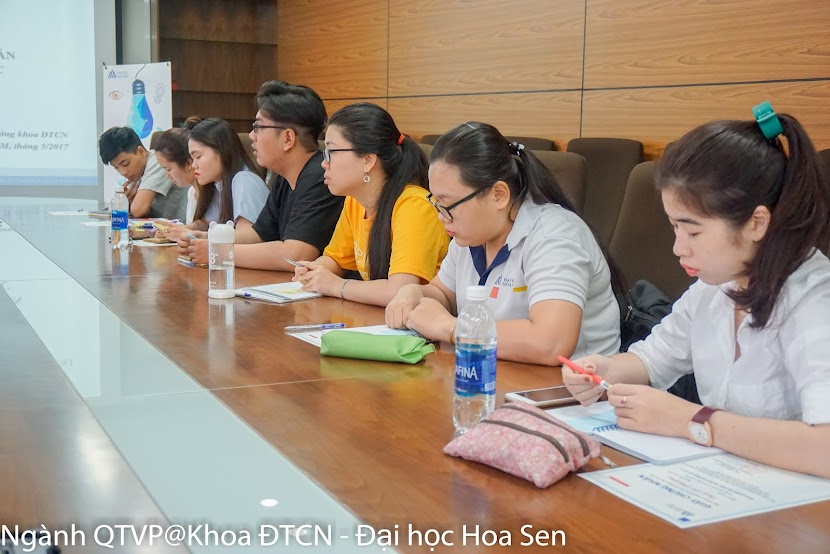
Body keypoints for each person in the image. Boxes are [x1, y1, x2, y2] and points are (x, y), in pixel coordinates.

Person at [562, 106, 830, 478]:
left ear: (756, 223)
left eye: (693, 231)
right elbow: (653, 361)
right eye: (675, 227)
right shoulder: (715, 287)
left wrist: (691, 420)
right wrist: (604, 370)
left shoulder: (814, 301)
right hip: (730, 481)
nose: (678, 248)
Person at [385, 122, 620, 365]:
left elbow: (551, 343)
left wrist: (451, 328)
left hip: (571, 384)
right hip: (500, 371)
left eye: (448, 205)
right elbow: (445, 293)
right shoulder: (470, 234)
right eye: (437, 203)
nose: (441, 216)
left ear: (499, 195)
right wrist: (414, 292)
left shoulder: (555, 236)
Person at [293, 103, 449, 307]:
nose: (324, 163)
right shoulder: (355, 202)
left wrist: (336, 286)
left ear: (368, 160)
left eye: (331, 152)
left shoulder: (415, 206)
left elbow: (399, 291)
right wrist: (314, 271)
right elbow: (336, 260)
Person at [182, 81, 343, 269]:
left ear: (288, 138)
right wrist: (210, 238)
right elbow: (259, 234)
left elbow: (296, 255)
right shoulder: (284, 178)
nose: (252, 135)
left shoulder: (320, 176)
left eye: (258, 127)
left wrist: (219, 252)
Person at [98, 126, 188, 220]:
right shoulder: (137, 174)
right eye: (116, 167)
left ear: (141, 152)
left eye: (125, 164)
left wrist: (127, 204)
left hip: (181, 226)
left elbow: (138, 210)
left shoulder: (158, 161)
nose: (123, 172)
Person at [152, 118, 201, 233]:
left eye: (168, 169)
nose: (167, 176)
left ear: (189, 163)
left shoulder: (214, 193)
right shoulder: (192, 192)